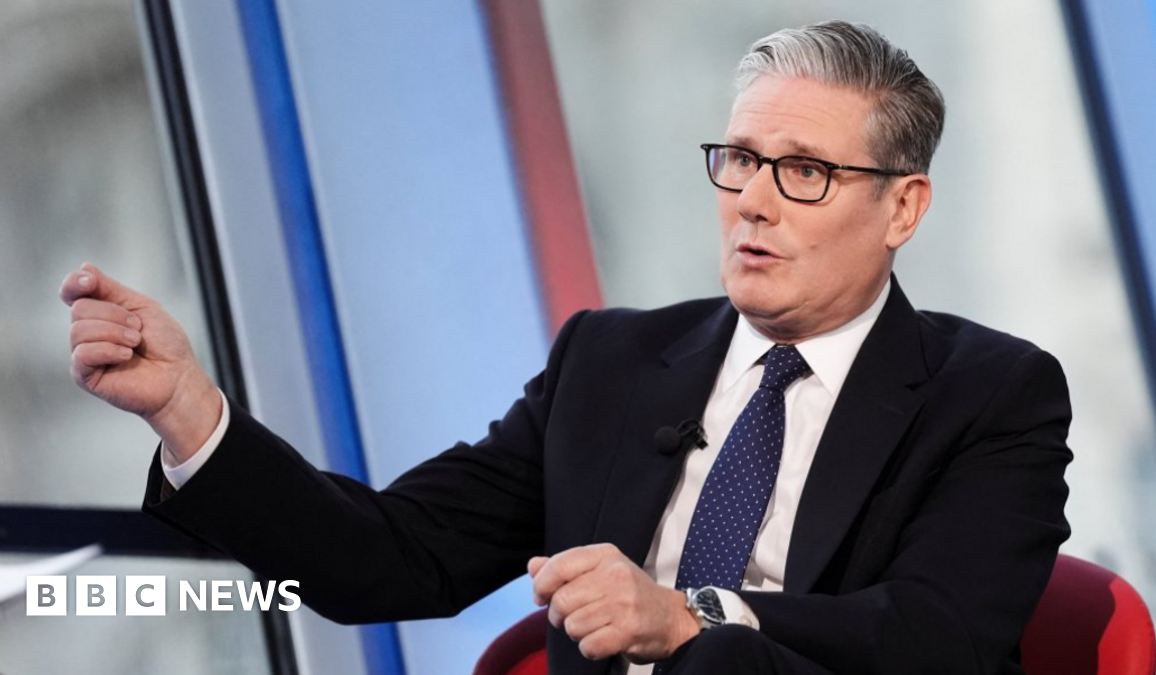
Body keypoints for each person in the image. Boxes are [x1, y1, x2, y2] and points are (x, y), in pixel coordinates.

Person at [60, 21, 1071, 675]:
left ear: (903, 206)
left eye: (803, 172)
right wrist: (185, 406)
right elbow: (387, 560)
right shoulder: (613, 364)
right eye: (740, 162)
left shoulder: (989, 395)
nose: (753, 202)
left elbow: (940, 643)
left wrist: (691, 622)